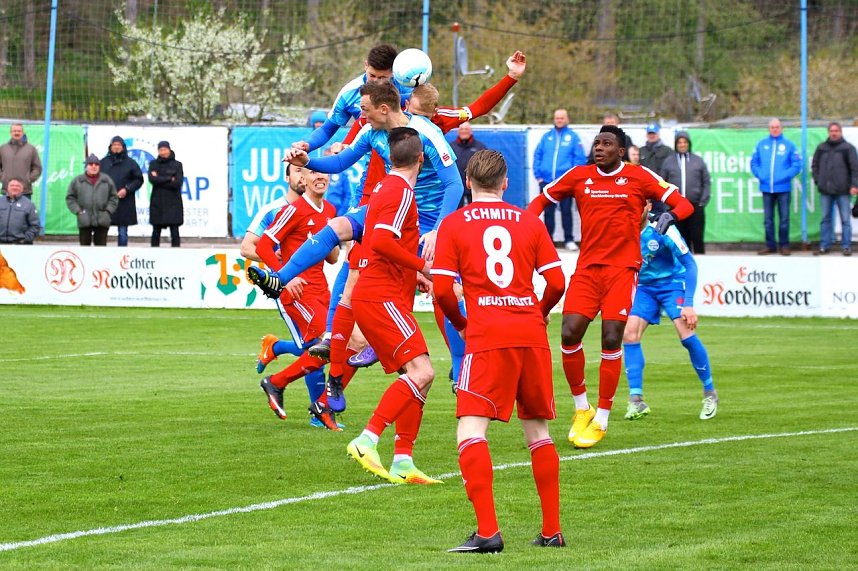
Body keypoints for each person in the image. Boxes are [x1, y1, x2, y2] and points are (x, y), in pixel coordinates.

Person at [433, 150, 567, 553]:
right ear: (505, 183)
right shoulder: (529, 221)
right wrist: (537, 313)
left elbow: (441, 290)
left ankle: (489, 532)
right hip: (530, 333)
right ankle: (551, 531)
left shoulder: (454, 224)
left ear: (468, 182)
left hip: (487, 335)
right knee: (538, 432)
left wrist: (461, 322)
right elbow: (558, 282)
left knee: (471, 431)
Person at [527, 125, 693, 449]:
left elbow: (684, 205)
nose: (599, 148)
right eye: (597, 143)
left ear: (620, 151)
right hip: (587, 269)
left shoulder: (638, 176)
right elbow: (541, 201)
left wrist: (669, 216)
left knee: (611, 336)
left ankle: (602, 417)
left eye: (607, 144)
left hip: (622, 270)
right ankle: (581, 408)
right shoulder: (579, 176)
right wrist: (524, 227)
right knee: (569, 332)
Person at [345, 127, 440, 485]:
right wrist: (422, 266)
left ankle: (403, 461)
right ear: (421, 159)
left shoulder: (384, 186)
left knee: (416, 377)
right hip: (381, 296)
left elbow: (377, 244)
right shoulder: (401, 191)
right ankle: (367, 439)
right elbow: (384, 242)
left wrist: (412, 273)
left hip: (378, 293)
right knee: (423, 372)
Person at [255, 167, 340, 424]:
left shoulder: (330, 211)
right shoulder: (292, 210)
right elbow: (262, 245)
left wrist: (333, 240)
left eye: (324, 173)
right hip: (297, 291)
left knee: (317, 348)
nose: (320, 177)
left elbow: (333, 258)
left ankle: (276, 349)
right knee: (327, 346)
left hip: (322, 288)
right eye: (313, 173)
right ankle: (313, 406)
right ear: (302, 179)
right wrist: (286, 276)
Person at [622, 202, 718, 421]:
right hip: (644, 288)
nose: (632, 212)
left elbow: (690, 264)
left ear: (647, 206)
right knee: (629, 334)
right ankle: (636, 401)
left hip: (672, 283)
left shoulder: (663, 229)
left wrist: (689, 303)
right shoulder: (621, 229)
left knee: (686, 335)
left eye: (637, 207)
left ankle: (710, 392)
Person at [532, 108, 587, 250]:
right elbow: (538, 155)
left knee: (566, 210)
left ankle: (569, 239)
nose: (559, 120)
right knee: (548, 212)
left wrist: (573, 179)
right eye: (557, 118)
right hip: (546, 181)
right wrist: (538, 176)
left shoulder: (573, 137)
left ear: (567, 119)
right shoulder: (546, 137)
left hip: (565, 182)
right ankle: (548, 240)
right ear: (554, 119)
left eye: (562, 118)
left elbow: (579, 159)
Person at [750, 118, 802, 256]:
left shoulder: (789, 145)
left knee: (784, 219)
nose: (775, 129)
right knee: (768, 220)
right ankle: (770, 245)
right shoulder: (761, 144)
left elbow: (797, 165)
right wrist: (761, 175)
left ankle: (784, 245)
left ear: (781, 128)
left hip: (783, 189)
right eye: (772, 127)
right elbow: (754, 162)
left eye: (777, 127)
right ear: (769, 129)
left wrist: (785, 176)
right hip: (766, 189)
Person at [659, 131, 711, 254]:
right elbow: (662, 182)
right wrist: (667, 205)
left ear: (688, 144)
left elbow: (706, 182)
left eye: (685, 142)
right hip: (676, 207)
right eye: (680, 142)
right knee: (680, 239)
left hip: (695, 205)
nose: (682, 145)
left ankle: (701, 265)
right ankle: (684, 268)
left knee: (697, 237)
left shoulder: (698, 161)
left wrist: (702, 201)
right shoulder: (668, 161)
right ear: (676, 144)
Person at [811, 122, 858, 257]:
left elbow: (855, 169)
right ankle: (824, 245)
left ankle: (846, 246)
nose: (834, 133)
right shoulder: (821, 148)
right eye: (832, 130)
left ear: (841, 132)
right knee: (825, 219)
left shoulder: (848, 148)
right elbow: (815, 166)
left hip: (843, 191)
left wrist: (854, 185)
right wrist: (818, 181)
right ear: (828, 132)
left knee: (845, 220)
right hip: (825, 191)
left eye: (836, 130)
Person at [65, 154, 119, 246]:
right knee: (84, 249)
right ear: (86, 166)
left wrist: (107, 211)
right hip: (84, 219)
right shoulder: (78, 181)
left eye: (96, 164)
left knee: (101, 249)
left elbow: (114, 197)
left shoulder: (106, 180)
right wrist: (78, 211)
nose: (94, 166)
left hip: (102, 219)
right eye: (91, 164)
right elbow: (70, 198)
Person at [100, 136, 144, 247]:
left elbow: (138, 179)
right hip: (106, 202)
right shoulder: (103, 162)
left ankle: (122, 256)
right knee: (102, 232)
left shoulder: (131, 163)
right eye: (114, 145)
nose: (116, 147)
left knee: (123, 233)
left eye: (118, 145)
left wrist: (127, 189)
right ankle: (100, 256)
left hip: (124, 203)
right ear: (110, 147)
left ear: (123, 147)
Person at [148, 141, 184, 247]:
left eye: (165, 149)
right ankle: (154, 255)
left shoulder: (177, 165)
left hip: (173, 202)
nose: (163, 152)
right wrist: (169, 178)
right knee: (156, 231)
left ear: (169, 150)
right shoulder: (153, 164)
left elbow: (177, 183)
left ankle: (176, 254)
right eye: (160, 150)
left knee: (174, 231)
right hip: (157, 202)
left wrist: (159, 178)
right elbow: (152, 179)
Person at [449, 121, 487, 206]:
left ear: (471, 131)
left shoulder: (480, 147)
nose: (464, 131)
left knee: (476, 212)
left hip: (475, 186)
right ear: (458, 131)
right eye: (461, 129)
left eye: (466, 129)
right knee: (456, 214)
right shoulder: (451, 147)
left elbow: (486, 166)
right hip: (457, 186)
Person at [0, 123, 42, 195]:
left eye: (19, 131)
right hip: (7, 190)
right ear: (10, 133)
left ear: (22, 133)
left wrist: (28, 179)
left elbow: (37, 168)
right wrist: (3, 178)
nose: (17, 133)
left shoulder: (31, 149)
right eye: (14, 131)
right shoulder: (3, 149)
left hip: (25, 191)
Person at [0, 177, 40, 244]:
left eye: (18, 186)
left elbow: (35, 226)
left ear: (22, 189)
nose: (14, 187)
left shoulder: (29, 204)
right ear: (7, 188)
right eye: (12, 185)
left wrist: (25, 239)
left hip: (21, 246)